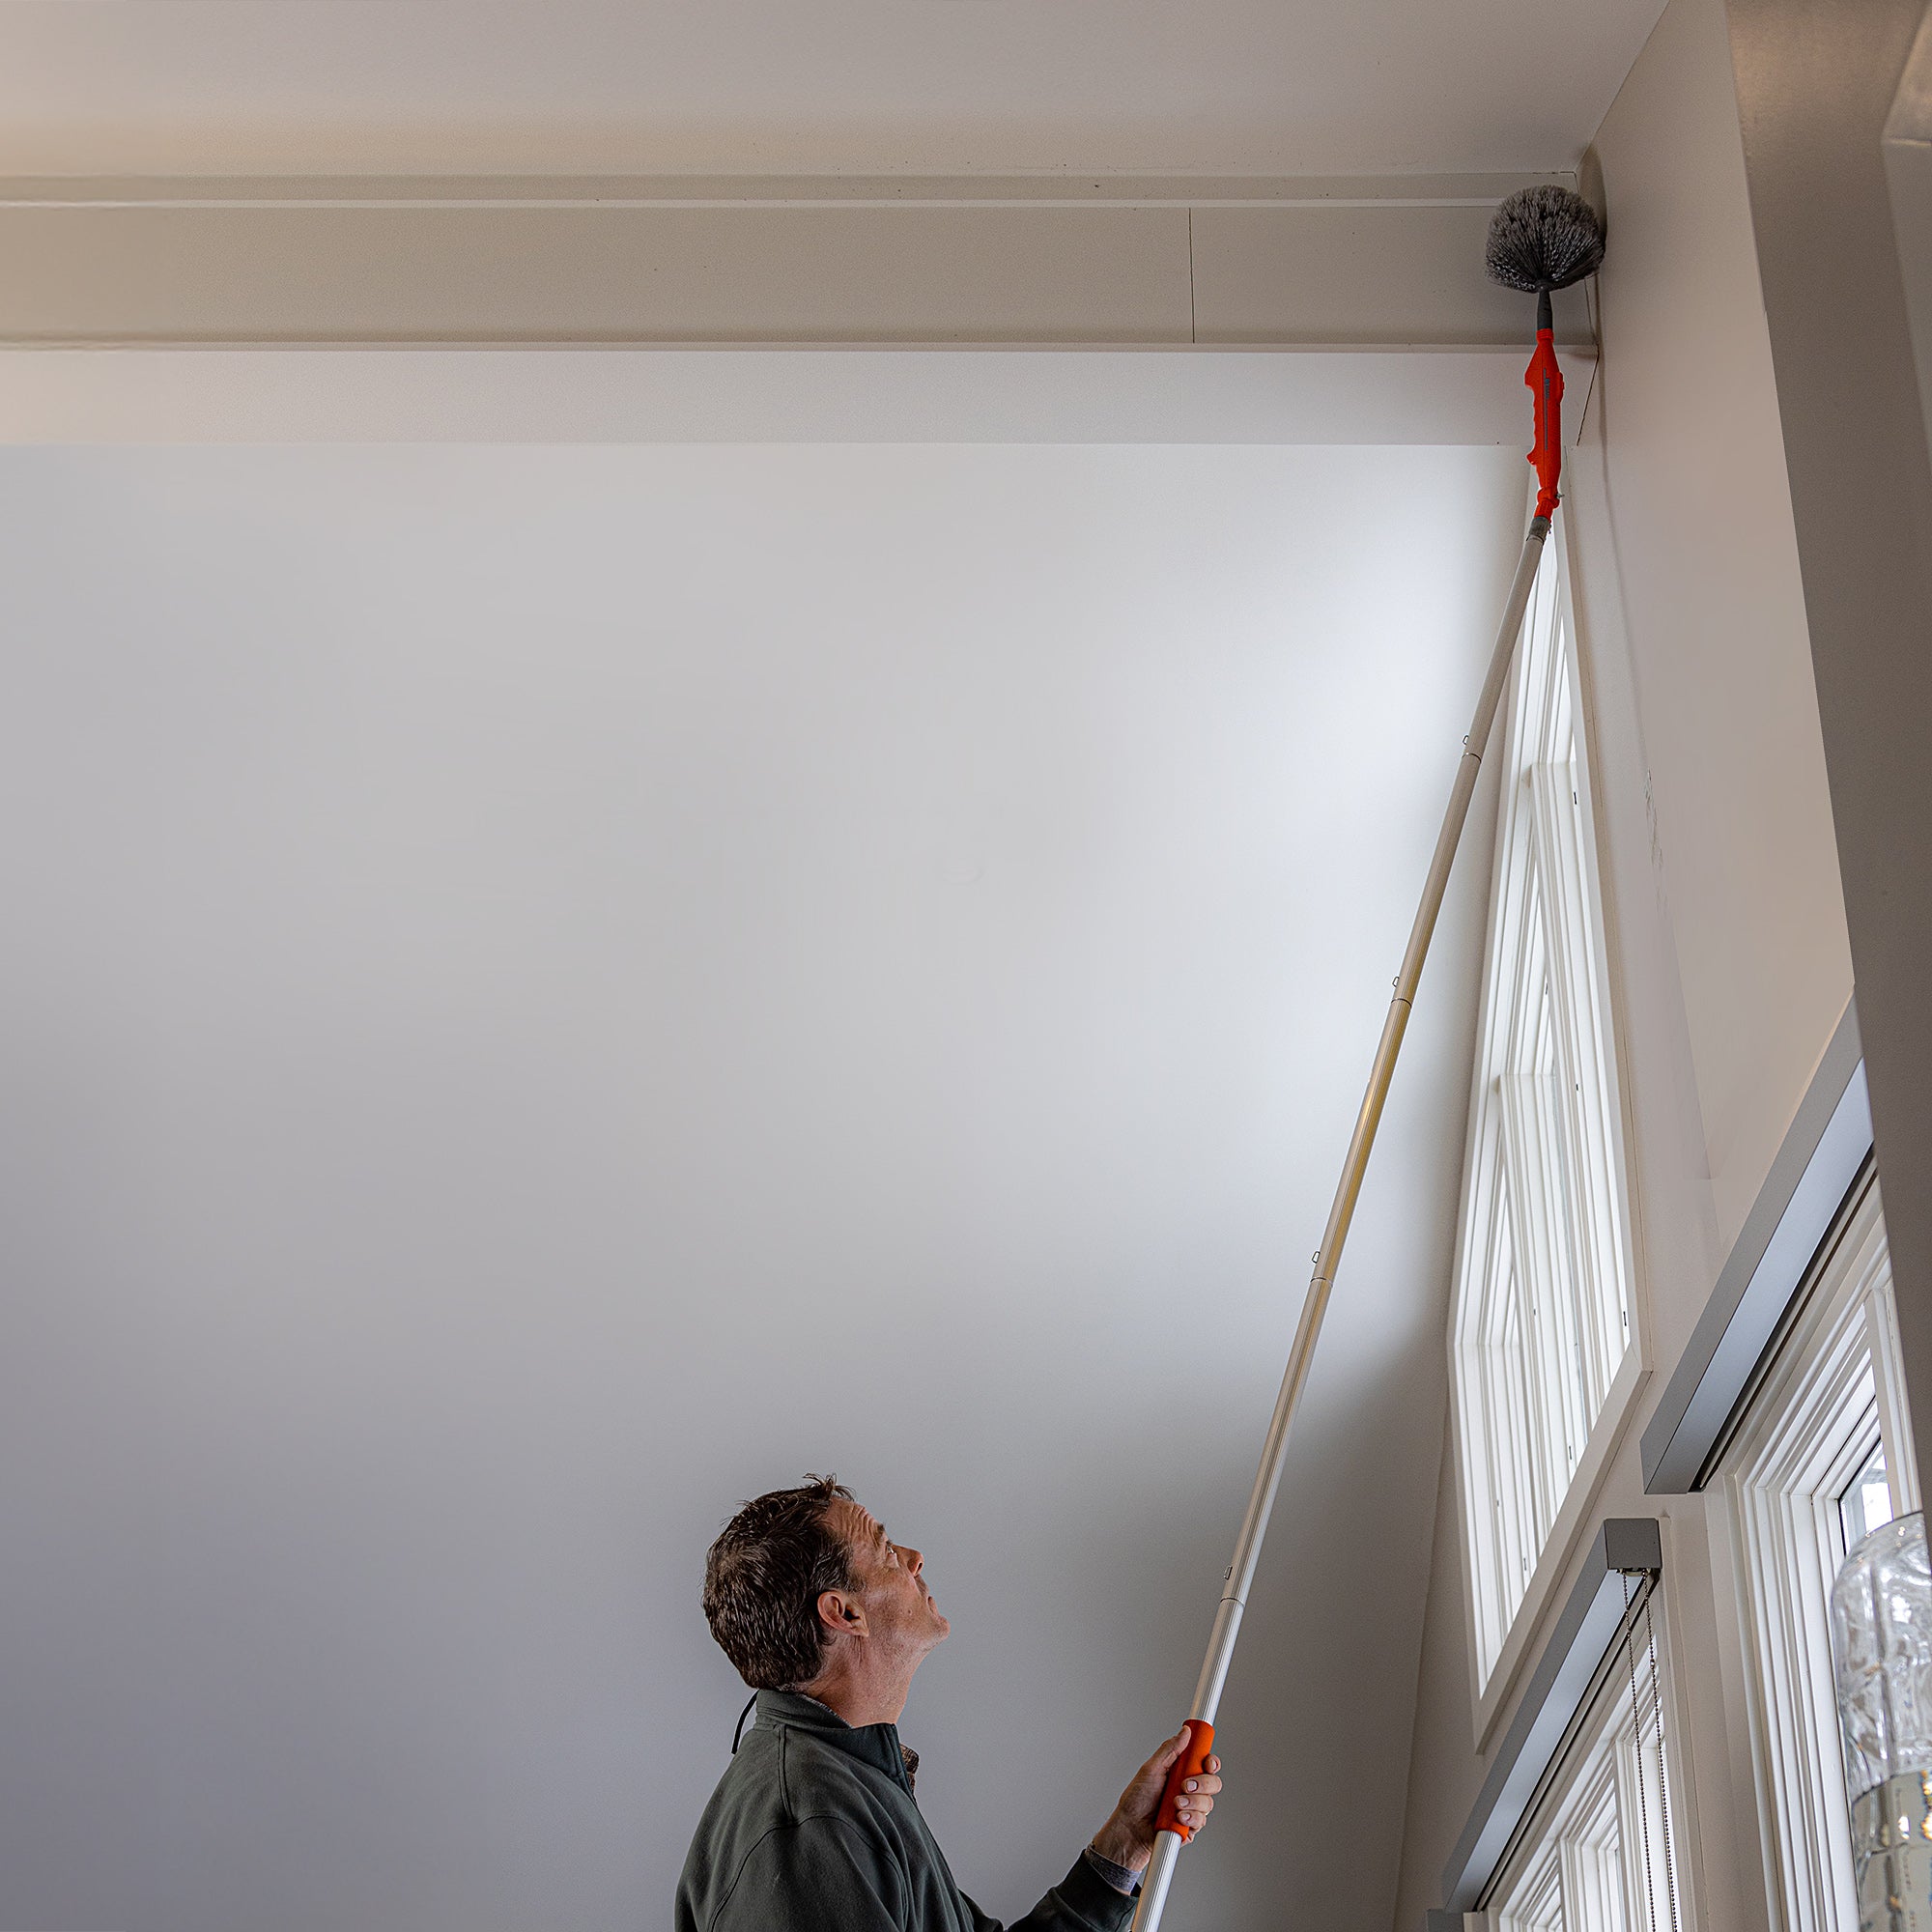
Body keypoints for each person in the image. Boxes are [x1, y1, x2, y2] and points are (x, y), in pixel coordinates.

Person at [676, 1474, 1222, 1931]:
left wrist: (1124, 1846)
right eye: (887, 1552)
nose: (915, 1558)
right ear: (843, 1614)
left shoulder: (848, 1780)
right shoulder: (807, 1828)